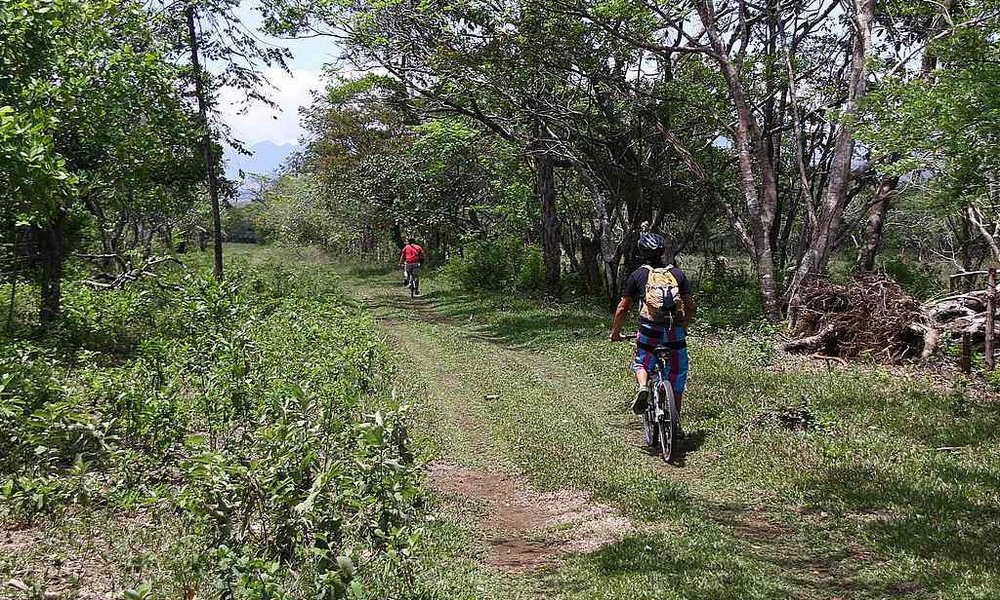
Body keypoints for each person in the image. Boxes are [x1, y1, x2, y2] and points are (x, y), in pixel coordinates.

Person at [609, 233, 696, 433]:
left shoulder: (638, 275)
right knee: (677, 372)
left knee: (642, 361)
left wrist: (616, 332)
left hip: (649, 329)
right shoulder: (677, 274)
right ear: (662, 251)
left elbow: (623, 307)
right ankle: (675, 423)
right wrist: (684, 326)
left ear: (641, 252)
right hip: (674, 330)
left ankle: (643, 387)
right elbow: (690, 305)